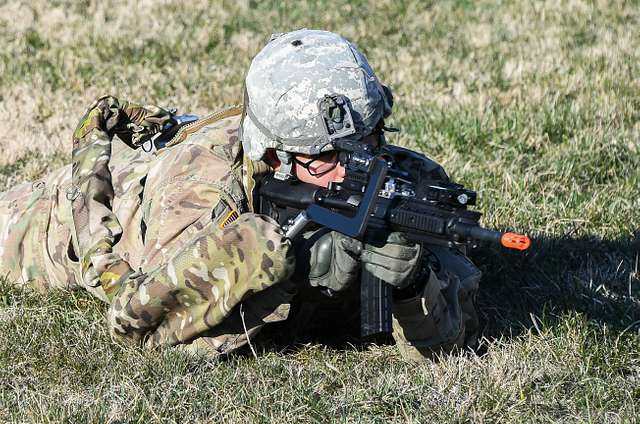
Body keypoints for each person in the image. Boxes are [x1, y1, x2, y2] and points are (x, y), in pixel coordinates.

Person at [0, 29, 481, 361]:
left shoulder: (404, 182)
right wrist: (284, 276)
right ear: (276, 159)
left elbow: (460, 318)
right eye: (328, 156)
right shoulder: (198, 197)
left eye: (370, 140)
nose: (357, 167)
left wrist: (414, 287)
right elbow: (139, 325)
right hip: (55, 223)